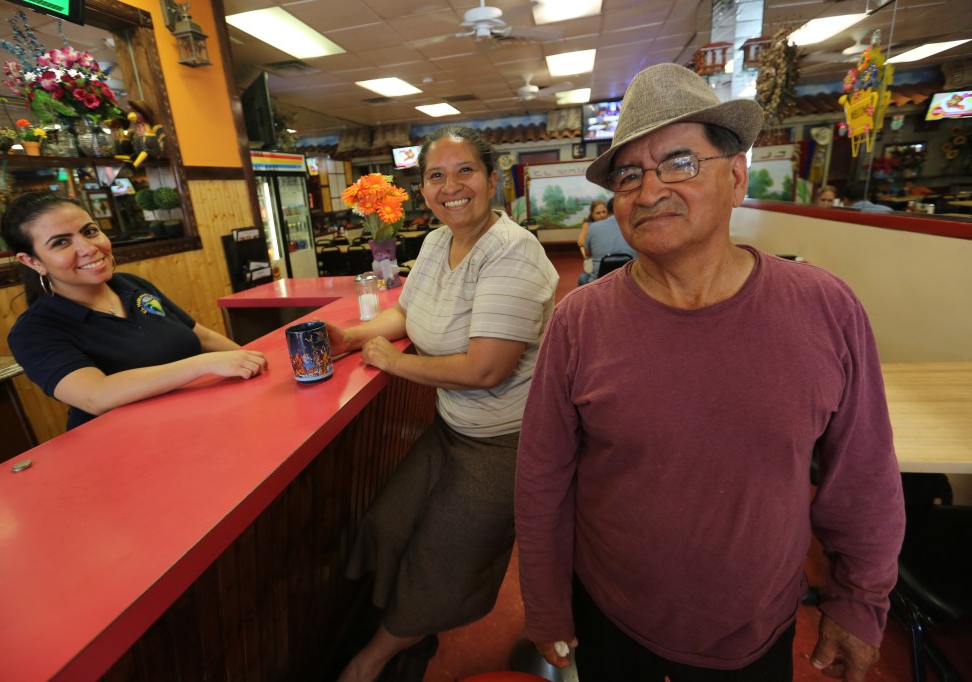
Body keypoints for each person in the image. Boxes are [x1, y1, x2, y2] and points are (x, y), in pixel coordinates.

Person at [515, 63, 904, 682]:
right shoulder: (579, 321)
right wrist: (544, 600)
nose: (648, 192)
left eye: (680, 163)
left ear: (736, 177)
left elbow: (864, 474)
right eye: (629, 175)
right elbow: (541, 479)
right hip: (611, 614)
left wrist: (860, 599)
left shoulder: (825, 307)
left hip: (755, 625)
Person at [328, 125, 558, 682]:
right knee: (387, 525)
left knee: (444, 557)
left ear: (491, 179)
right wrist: (353, 337)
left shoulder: (513, 253)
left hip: (510, 442)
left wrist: (393, 362)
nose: (451, 186)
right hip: (453, 428)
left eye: (465, 171)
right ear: (423, 188)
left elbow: (485, 369)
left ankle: (368, 662)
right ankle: (406, 631)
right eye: (436, 175)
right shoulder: (434, 242)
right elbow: (407, 313)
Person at [3, 191, 267, 431]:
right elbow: (97, 395)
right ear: (32, 261)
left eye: (90, 231)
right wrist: (203, 364)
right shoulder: (34, 331)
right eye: (61, 243)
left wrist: (258, 366)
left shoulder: (132, 285)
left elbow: (202, 337)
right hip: (122, 449)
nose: (87, 248)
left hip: (197, 424)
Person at [576, 197, 636, 285]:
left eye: (603, 212)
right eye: (598, 213)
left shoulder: (593, 227)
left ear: (607, 210)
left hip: (600, 281)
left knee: (583, 278)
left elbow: (587, 253)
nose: (602, 215)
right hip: (629, 278)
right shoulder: (632, 225)